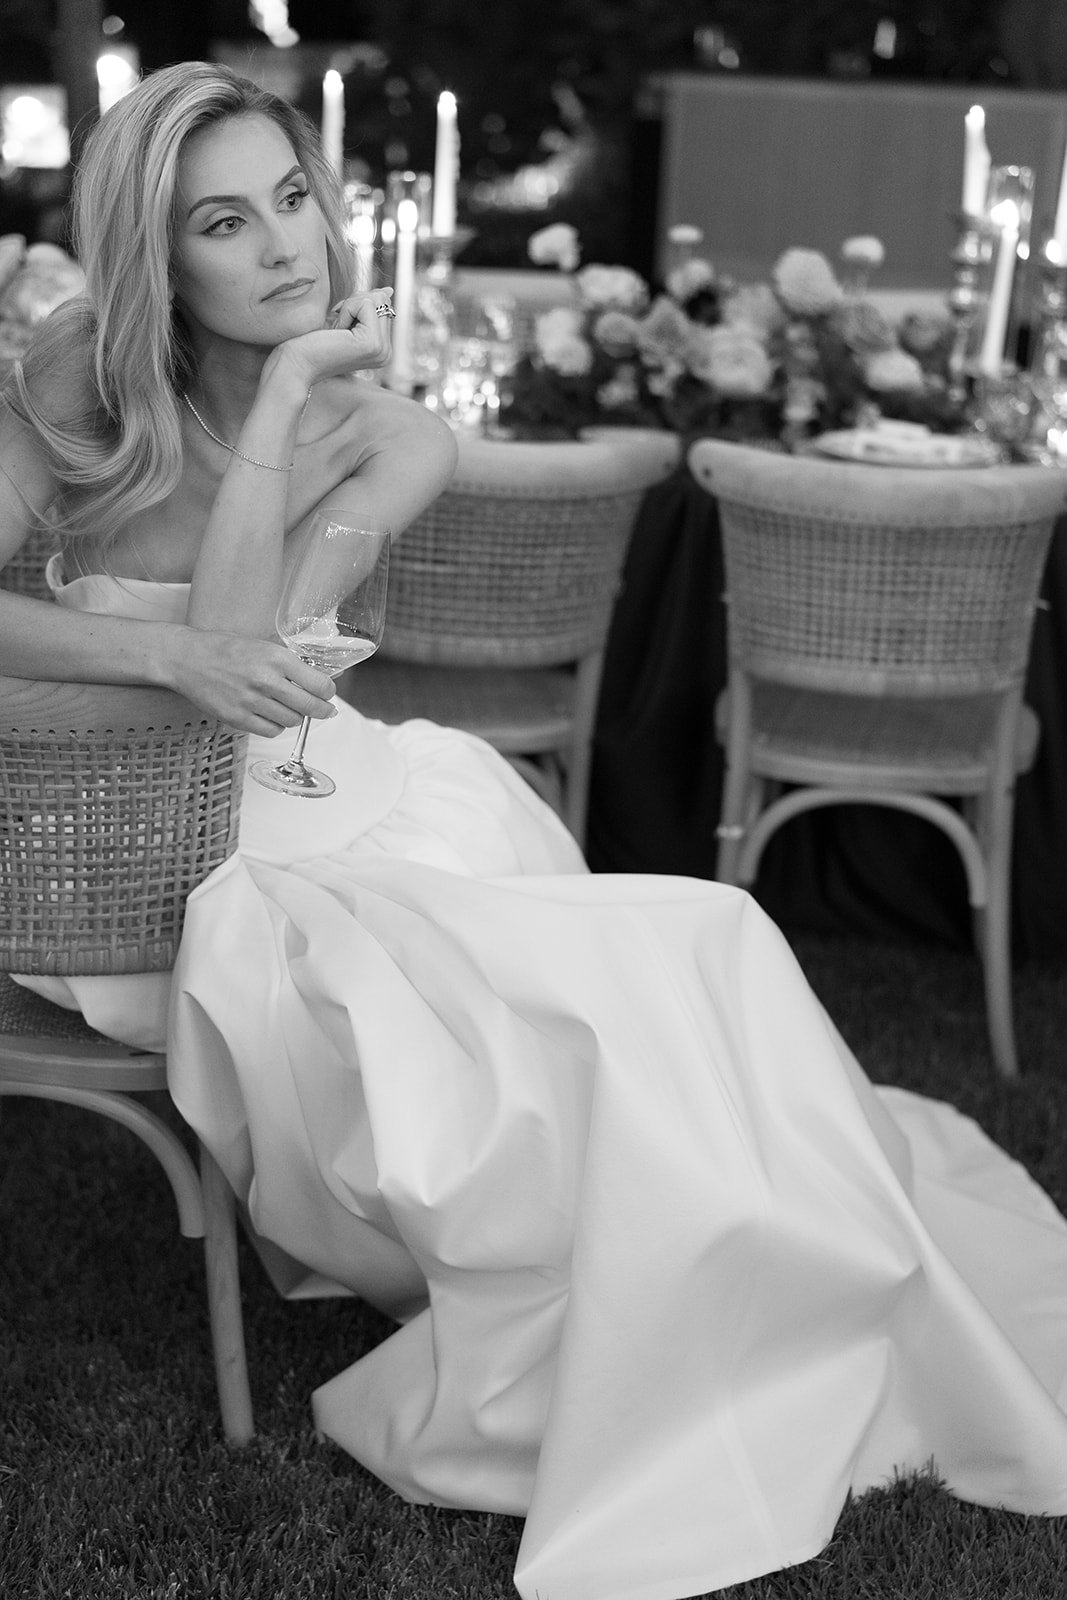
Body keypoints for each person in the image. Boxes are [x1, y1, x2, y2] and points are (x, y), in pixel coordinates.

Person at [2, 61, 1067, 1600]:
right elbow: (205, 659)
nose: (287, 245)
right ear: (155, 262)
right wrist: (158, 652)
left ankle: (706, 1285)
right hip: (134, 851)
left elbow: (250, 655)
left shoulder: (394, 439)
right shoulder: (70, 385)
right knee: (501, 1001)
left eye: (294, 197)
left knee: (691, 946)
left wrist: (296, 393)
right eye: (225, 223)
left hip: (323, 792)